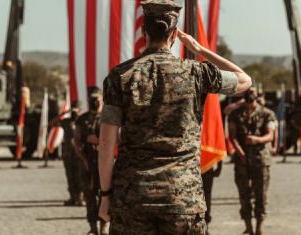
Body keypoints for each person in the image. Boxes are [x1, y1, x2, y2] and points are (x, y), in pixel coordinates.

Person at [98, 0, 252, 234]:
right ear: (174, 34)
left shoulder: (120, 77)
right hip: (183, 197)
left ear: (143, 31)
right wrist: (201, 50)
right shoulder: (197, 73)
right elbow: (244, 80)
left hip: (133, 196)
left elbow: (106, 143)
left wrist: (106, 194)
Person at [229, 88, 276, 235]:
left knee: (261, 195)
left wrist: (257, 140)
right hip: (241, 161)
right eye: (248, 93)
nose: (251, 95)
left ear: (258, 96)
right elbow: (232, 135)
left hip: (260, 159)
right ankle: (248, 227)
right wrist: (239, 150)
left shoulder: (267, 113)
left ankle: (259, 227)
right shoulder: (235, 114)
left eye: (253, 93)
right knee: (244, 195)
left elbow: (270, 136)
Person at [75, 87, 110, 235]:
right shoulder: (82, 119)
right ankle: (93, 227)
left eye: (97, 98)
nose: (94, 101)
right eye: (92, 99)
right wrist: (84, 161)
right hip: (88, 164)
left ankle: (104, 226)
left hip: (106, 163)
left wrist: (100, 142)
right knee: (89, 196)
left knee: (105, 194)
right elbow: (76, 142)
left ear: (102, 99)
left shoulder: (108, 117)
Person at [52, 100, 84, 206]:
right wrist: (64, 113)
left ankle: (80, 198)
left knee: (80, 177)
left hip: (79, 154)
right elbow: (53, 123)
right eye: (73, 108)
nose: (75, 112)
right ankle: (72, 197)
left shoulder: (83, 121)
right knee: (70, 176)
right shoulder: (66, 121)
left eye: (76, 109)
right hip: (68, 153)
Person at [201, 161, 222, 233]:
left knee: (206, 197)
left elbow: (217, 149)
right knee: (206, 196)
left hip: (204, 166)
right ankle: (204, 227)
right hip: (205, 166)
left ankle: (205, 226)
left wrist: (220, 165)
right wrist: (219, 166)